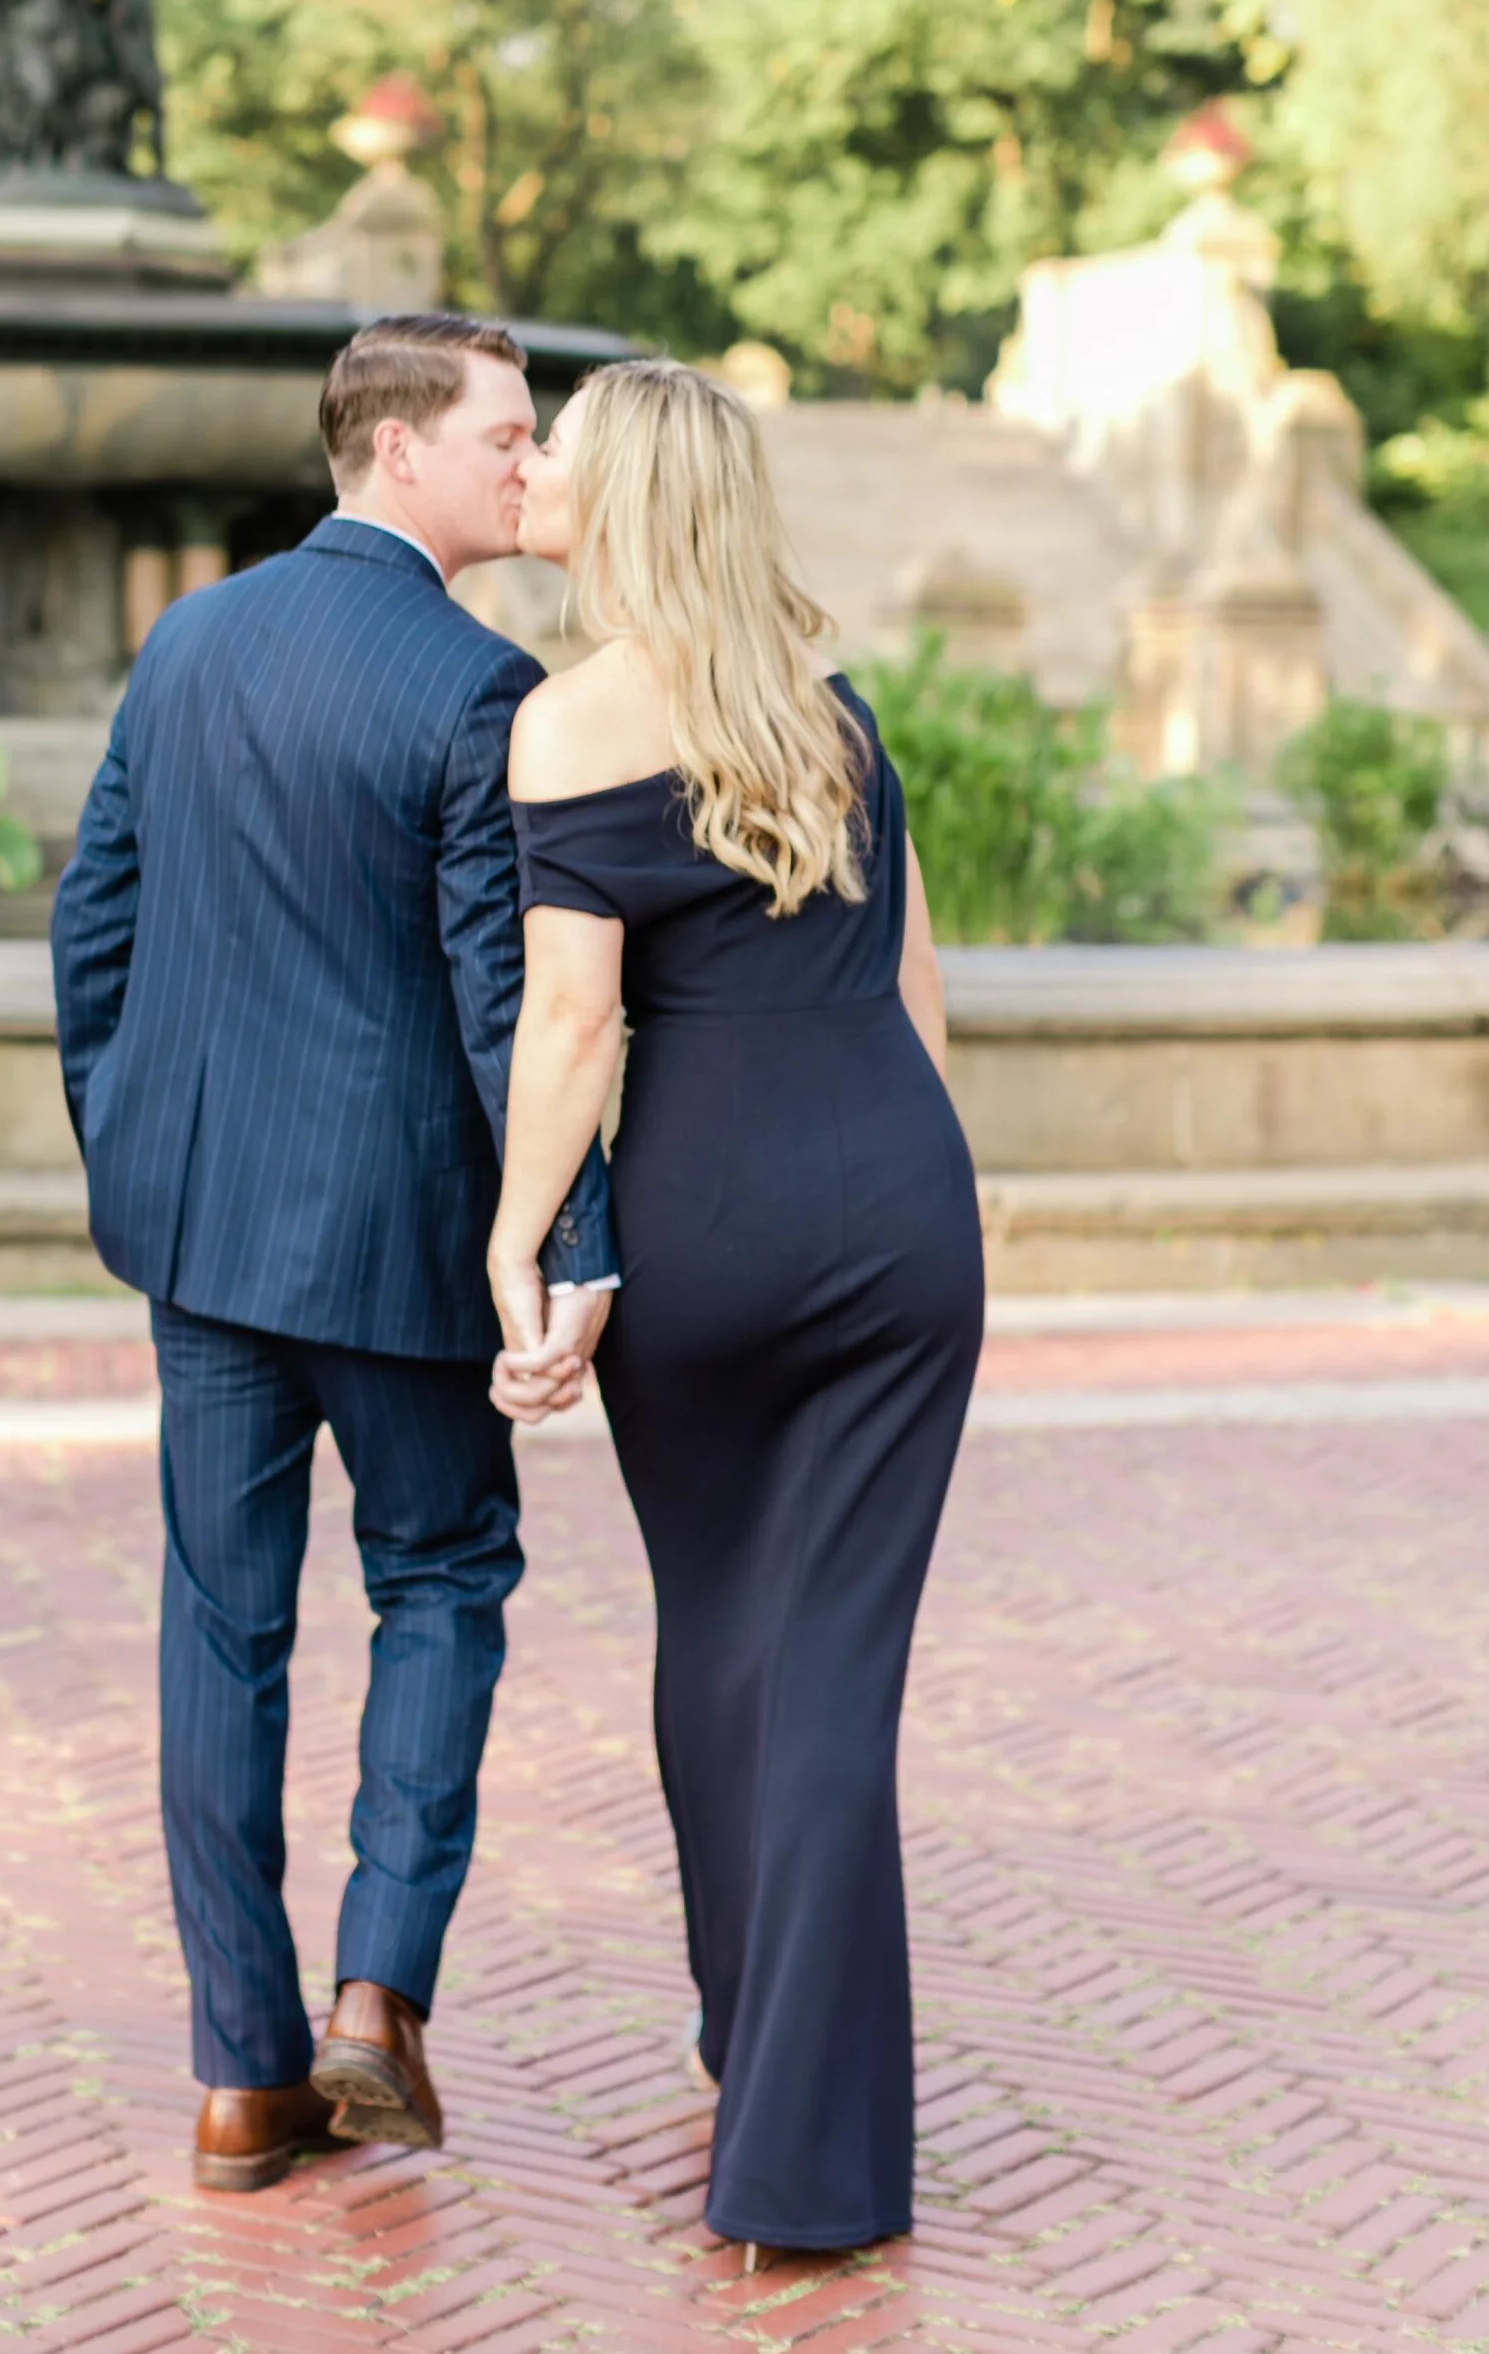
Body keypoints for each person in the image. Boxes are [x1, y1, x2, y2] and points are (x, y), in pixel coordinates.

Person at [51, 316, 619, 2194]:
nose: (529, 466)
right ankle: (377, 1993)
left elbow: (93, 922)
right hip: (399, 1245)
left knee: (221, 1631)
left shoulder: (188, 639)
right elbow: (505, 1003)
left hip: (205, 1235)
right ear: (396, 451)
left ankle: (239, 2074)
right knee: (444, 1573)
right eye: (504, 434)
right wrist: (567, 1244)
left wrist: (141, 1144)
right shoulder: (480, 685)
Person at [491, 357, 982, 2260]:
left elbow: (570, 1022)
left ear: (620, 497)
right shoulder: (831, 710)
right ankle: (793, 2116)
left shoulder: (568, 721)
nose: (533, 465)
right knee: (835, 1668)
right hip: (897, 1205)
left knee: (720, 1636)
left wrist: (521, 1240)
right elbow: (921, 993)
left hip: (710, 1220)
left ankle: (760, 2081)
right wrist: (933, 1205)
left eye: (558, 450)